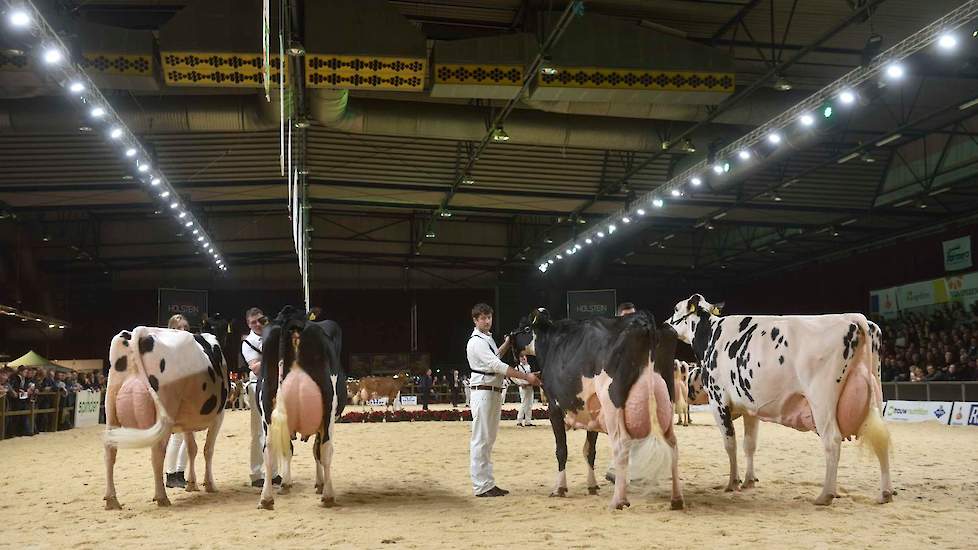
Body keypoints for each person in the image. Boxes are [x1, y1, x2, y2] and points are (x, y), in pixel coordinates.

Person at [466, 302, 540, 498]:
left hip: (492, 391)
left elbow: (496, 356)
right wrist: (527, 377)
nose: (487, 321)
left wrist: (507, 342)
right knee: (481, 439)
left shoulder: (486, 339)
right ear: (475, 320)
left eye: (489, 317)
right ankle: (481, 486)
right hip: (483, 391)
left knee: (488, 439)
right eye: (483, 318)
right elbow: (495, 364)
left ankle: (488, 483)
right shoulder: (476, 342)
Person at [242, 307, 279, 488]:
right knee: (258, 432)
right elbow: (255, 368)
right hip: (257, 386)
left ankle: (274, 472)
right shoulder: (248, 342)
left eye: (260, 320)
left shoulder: (273, 335)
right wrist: (274, 354)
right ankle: (256, 474)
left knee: (275, 431)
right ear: (248, 324)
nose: (257, 324)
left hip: (275, 386)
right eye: (252, 322)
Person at [164, 314, 191, 488]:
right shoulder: (167, 349)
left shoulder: (190, 348)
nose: (183, 331)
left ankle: (180, 473)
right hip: (174, 395)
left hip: (189, 393)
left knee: (188, 437)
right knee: (177, 437)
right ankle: (170, 474)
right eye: (178, 328)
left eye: (185, 328)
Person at [515, 354, 536, 427]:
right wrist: (520, 383)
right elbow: (513, 377)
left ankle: (528, 421)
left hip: (530, 386)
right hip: (523, 387)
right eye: (521, 357)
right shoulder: (518, 367)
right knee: (524, 403)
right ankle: (519, 421)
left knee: (530, 404)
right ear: (519, 359)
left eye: (524, 357)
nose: (523, 358)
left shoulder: (529, 366)